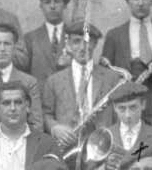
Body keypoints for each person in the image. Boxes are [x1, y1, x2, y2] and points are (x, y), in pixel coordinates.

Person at [42, 21, 119, 154]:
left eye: (88, 41)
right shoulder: (54, 80)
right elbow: (45, 114)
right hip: (68, 148)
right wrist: (55, 128)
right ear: (68, 45)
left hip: (102, 147)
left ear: (95, 44)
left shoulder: (111, 78)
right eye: (77, 42)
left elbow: (118, 116)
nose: (83, 47)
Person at [22, 0, 72, 87]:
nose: (52, 6)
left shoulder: (74, 36)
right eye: (47, 2)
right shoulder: (30, 38)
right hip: (40, 97)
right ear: (41, 6)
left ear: (65, 5)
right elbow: (24, 73)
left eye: (57, 1)